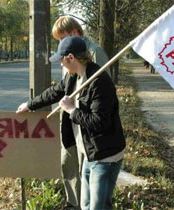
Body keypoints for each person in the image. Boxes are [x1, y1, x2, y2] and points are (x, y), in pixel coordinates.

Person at [16, 36, 125, 210]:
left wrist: (72, 110)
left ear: (71, 58)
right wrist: (29, 105)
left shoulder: (99, 82)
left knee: (99, 207)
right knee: (86, 205)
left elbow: (100, 122)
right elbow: (53, 93)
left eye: (61, 60)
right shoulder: (72, 78)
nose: (60, 64)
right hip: (89, 154)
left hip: (105, 157)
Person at [51, 16, 110, 209]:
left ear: (75, 31)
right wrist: (31, 104)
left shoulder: (95, 53)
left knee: (90, 175)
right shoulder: (66, 54)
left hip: (88, 125)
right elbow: (63, 87)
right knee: (68, 164)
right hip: (71, 121)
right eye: (58, 40)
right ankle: (73, 203)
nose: (60, 43)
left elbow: (103, 92)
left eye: (63, 37)